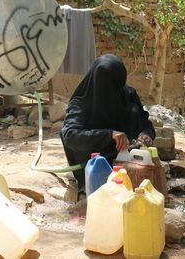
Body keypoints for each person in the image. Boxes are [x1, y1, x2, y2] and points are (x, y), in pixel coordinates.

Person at [61, 54, 155, 193]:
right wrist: (109, 135)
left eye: (113, 84)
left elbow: (145, 124)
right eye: (104, 84)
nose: (108, 90)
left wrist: (146, 135)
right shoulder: (81, 103)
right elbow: (70, 136)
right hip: (93, 162)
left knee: (134, 110)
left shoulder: (127, 95)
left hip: (125, 157)